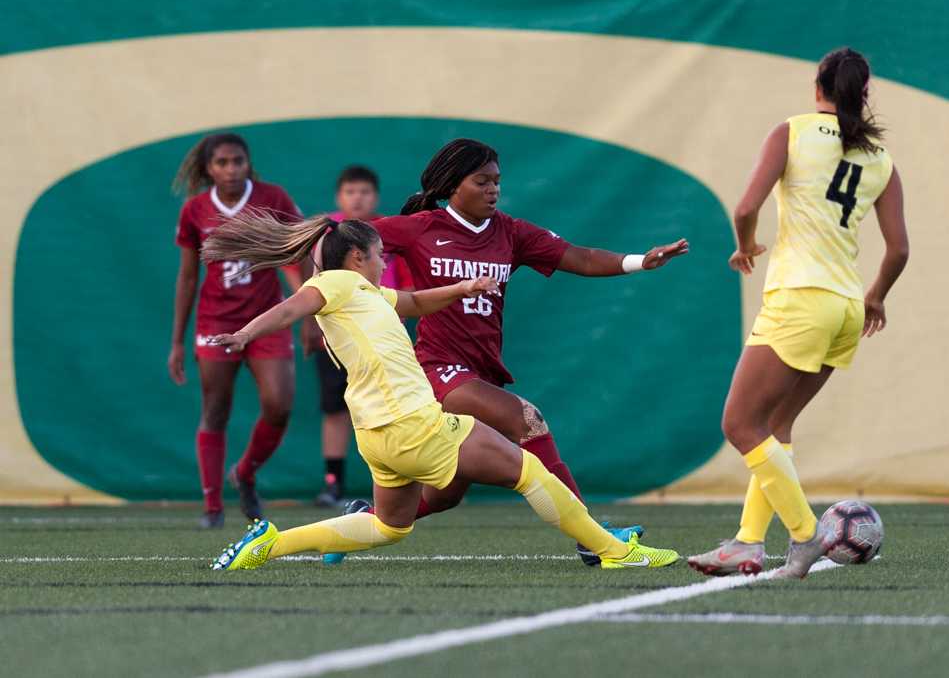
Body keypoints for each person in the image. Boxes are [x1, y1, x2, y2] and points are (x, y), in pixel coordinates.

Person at [199, 213, 680, 571]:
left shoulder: (365, 294)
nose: (385, 261)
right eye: (380, 254)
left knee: (390, 526)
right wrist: (246, 334)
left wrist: (462, 286)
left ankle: (271, 543)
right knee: (528, 468)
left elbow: (410, 301)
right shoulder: (337, 282)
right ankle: (612, 551)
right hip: (412, 421)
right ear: (357, 257)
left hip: (377, 435)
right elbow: (292, 306)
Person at [371, 138, 689, 565]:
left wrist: (638, 261)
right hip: (437, 369)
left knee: (444, 495)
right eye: (481, 181)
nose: (493, 189)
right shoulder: (421, 226)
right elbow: (351, 241)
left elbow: (581, 257)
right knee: (528, 419)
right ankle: (593, 539)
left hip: (481, 374)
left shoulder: (511, 231)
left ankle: (365, 517)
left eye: (497, 181)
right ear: (452, 185)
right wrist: (337, 285)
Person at [687, 47, 909, 579]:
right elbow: (899, 250)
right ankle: (746, 542)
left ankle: (807, 536)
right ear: (863, 94)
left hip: (801, 297)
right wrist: (876, 295)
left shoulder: (792, 131)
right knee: (777, 424)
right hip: (846, 306)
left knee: (740, 423)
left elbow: (745, 208)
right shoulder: (880, 159)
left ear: (819, 87)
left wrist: (744, 246)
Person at [168, 133, 304, 529]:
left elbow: (298, 252)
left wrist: (311, 314)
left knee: (279, 405)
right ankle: (212, 507)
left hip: (267, 318)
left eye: (237, 161)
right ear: (208, 168)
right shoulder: (195, 210)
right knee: (215, 409)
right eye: (222, 163)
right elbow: (188, 276)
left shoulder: (272, 198)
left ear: (248, 163)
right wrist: (177, 341)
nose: (230, 169)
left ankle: (244, 472)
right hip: (215, 322)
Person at [312, 165, 414, 507]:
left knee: (396, 405)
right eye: (351, 191)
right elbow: (314, 285)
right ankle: (333, 482)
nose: (358, 197)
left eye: (365, 191)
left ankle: (407, 477)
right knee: (336, 407)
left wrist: (393, 317)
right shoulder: (328, 231)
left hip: (385, 338)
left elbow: (407, 285)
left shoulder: (388, 233)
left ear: (376, 196)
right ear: (339, 196)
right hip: (340, 338)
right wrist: (312, 322)